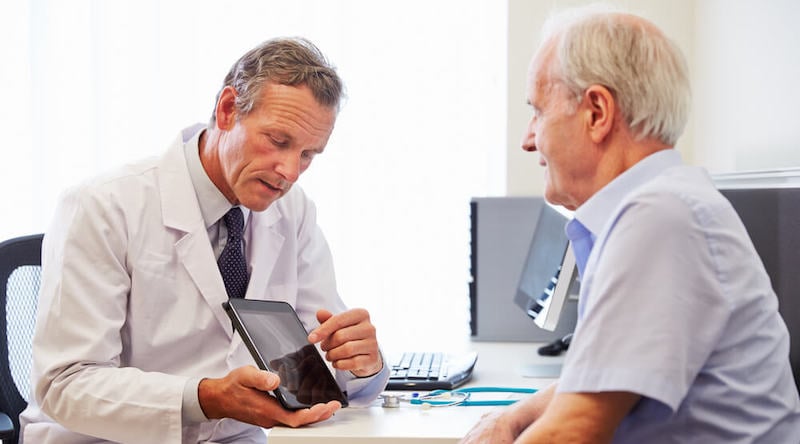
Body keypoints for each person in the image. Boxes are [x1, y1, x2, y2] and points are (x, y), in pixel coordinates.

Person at [20, 37, 389, 444]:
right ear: (228, 110)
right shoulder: (103, 205)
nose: (290, 171)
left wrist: (360, 364)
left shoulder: (293, 211)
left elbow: (314, 368)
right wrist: (206, 398)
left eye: (308, 155)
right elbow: (64, 386)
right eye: (278, 141)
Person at [462, 6, 800, 443]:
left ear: (597, 113)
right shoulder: (662, 205)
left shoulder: (659, 218)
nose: (529, 139)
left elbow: (573, 431)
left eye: (538, 112)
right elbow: (598, 376)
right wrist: (510, 418)